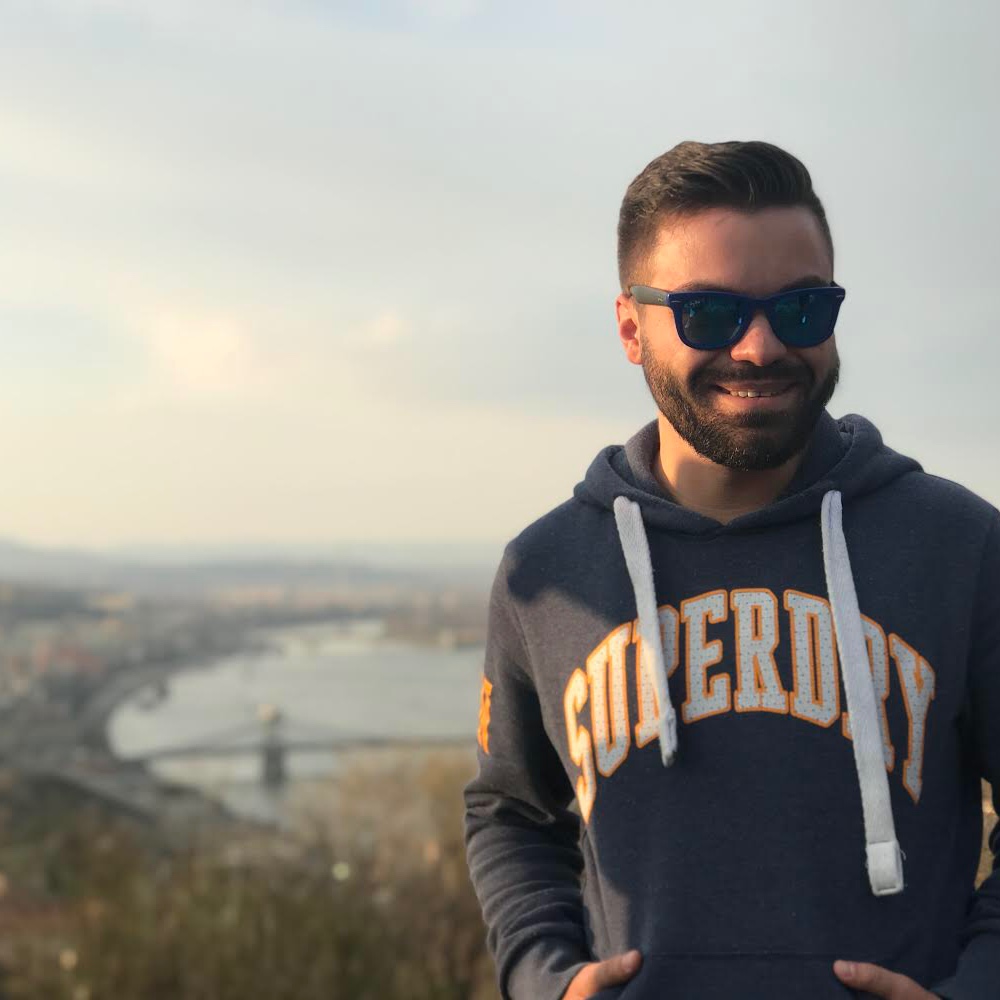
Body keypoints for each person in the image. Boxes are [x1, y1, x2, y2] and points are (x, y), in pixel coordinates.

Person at [463, 139, 999, 1000]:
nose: (759, 348)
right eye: (710, 314)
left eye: (801, 309)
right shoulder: (547, 570)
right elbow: (511, 813)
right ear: (631, 328)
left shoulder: (961, 546)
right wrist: (543, 977)